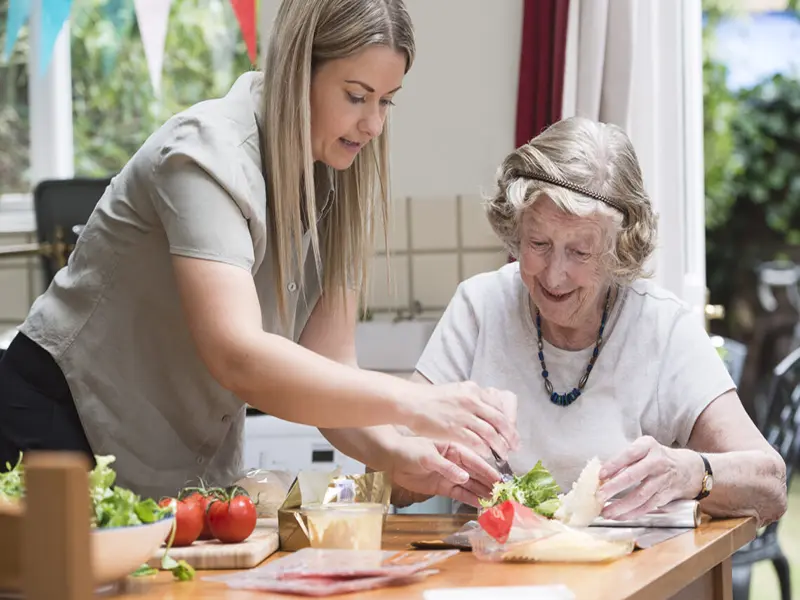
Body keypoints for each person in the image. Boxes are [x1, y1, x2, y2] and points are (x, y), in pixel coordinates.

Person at [0, 0, 517, 503]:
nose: (374, 125)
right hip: (54, 418)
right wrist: (420, 402)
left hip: (159, 455)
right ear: (298, 71)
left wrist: (403, 454)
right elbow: (239, 356)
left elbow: (329, 366)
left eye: (387, 100)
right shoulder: (205, 154)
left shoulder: (336, 176)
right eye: (357, 96)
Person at [394, 116, 787, 527]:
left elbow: (771, 487)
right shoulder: (479, 306)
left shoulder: (662, 326)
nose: (554, 274)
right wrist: (438, 461)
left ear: (620, 251)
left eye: (580, 252)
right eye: (538, 244)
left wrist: (691, 471)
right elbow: (389, 478)